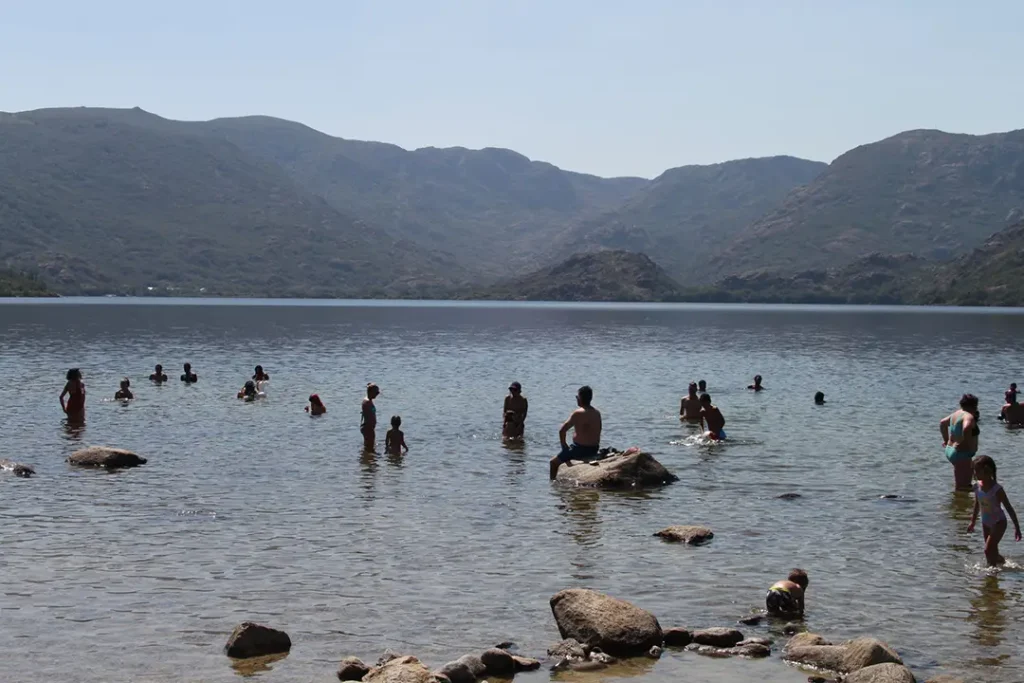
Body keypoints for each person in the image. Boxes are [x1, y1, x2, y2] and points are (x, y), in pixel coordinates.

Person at [967, 455, 1022, 567]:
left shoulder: (997, 490)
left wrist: (1017, 528)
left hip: (999, 522)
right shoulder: (977, 487)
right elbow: (977, 504)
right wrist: (972, 522)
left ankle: (991, 575)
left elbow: (1009, 508)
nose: (974, 474)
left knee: (988, 550)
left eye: (977, 471)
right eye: (974, 470)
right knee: (992, 553)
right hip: (985, 523)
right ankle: (1002, 565)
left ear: (987, 471)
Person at [550, 385, 602, 480]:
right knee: (568, 453)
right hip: (594, 448)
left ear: (581, 398)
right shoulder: (597, 413)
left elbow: (562, 430)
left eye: (577, 397)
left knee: (553, 462)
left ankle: (552, 483)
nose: (576, 399)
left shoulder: (578, 413)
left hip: (579, 450)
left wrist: (564, 446)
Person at [941, 394, 980, 491]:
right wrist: (963, 443)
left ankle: (962, 503)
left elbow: (942, 423)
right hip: (961, 453)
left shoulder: (957, 413)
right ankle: (958, 504)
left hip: (951, 450)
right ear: (974, 405)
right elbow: (966, 428)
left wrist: (946, 440)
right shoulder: (968, 416)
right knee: (963, 487)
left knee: (966, 481)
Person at [361, 383, 380, 450]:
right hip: (368, 428)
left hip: (369, 428)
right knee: (370, 448)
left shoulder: (369, 400)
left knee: (369, 447)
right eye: (376, 392)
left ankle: (368, 458)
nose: (377, 394)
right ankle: (370, 459)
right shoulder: (367, 402)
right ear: (371, 392)